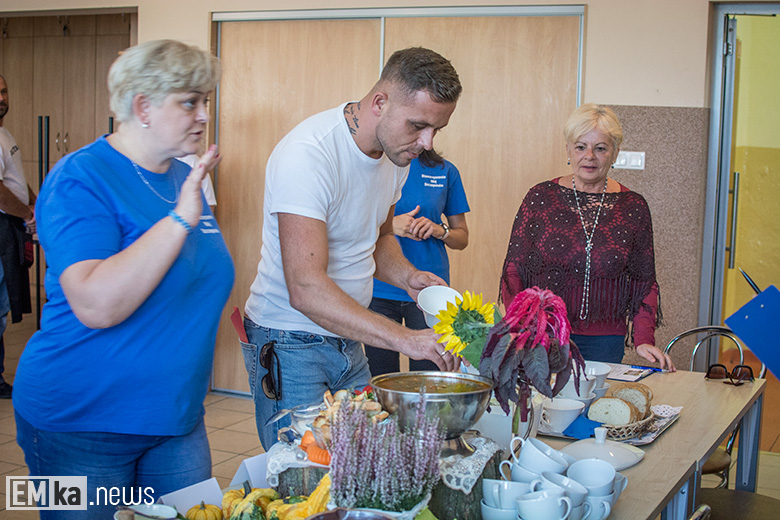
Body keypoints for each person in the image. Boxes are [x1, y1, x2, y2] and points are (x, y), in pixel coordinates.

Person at [13, 40, 234, 518]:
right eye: (190, 102)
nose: (202, 115)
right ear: (143, 106)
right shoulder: (80, 178)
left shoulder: (185, 177)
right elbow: (96, 304)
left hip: (175, 419)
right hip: (76, 423)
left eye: (205, 102)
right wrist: (178, 220)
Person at [243, 47, 462, 448]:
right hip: (293, 341)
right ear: (380, 102)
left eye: (436, 129)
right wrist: (405, 339)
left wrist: (408, 275)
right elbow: (305, 287)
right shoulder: (308, 156)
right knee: (306, 477)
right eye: (417, 125)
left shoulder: (397, 157)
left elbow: (376, 239)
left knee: (359, 463)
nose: (426, 142)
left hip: (349, 335)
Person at [499, 103, 675, 371]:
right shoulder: (540, 198)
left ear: (615, 152)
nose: (589, 156)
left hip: (605, 341)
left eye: (600, 148)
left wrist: (643, 339)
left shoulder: (633, 207)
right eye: (580, 147)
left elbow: (644, 281)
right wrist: (519, 324)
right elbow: (514, 269)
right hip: (543, 332)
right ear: (569, 150)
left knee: (593, 407)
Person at [365, 150, 470, 375]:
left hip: (430, 291)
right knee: (380, 376)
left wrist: (440, 230)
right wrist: (391, 225)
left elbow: (462, 238)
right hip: (378, 288)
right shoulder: (375, 167)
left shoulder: (446, 171)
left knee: (430, 375)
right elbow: (351, 227)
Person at [0, 74, 36, 399]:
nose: (1, 98)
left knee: (2, 308)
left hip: (9, 230)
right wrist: (25, 213)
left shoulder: (4, 133)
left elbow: (15, 180)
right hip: (2, 228)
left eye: (4, 91)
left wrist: (35, 202)